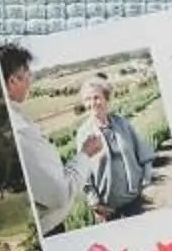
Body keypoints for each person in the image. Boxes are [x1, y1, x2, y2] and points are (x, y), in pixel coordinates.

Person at [0, 43, 80, 235]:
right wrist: (84, 156)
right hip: (47, 230)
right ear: (13, 81)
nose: (30, 80)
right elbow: (59, 195)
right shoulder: (21, 132)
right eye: (27, 74)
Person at [66, 72, 154, 223]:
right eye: (87, 99)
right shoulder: (84, 133)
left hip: (134, 200)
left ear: (106, 99)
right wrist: (94, 202)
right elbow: (84, 171)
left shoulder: (122, 123)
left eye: (96, 97)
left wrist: (146, 179)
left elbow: (143, 152)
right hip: (107, 208)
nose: (92, 103)